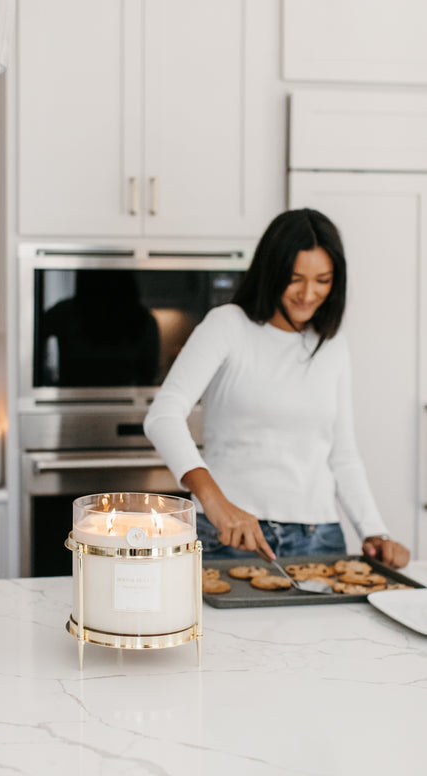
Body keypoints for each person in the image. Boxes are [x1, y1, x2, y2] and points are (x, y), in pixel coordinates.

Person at [143, 209, 410, 568]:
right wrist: (214, 500)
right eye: (294, 278)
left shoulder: (332, 345)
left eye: (323, 280)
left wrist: (374, 530)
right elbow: (163, 416)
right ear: (271, 272)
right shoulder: (228, 326)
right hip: (231, 536)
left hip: (320, 540)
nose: (308, 294)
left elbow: (342, 455)